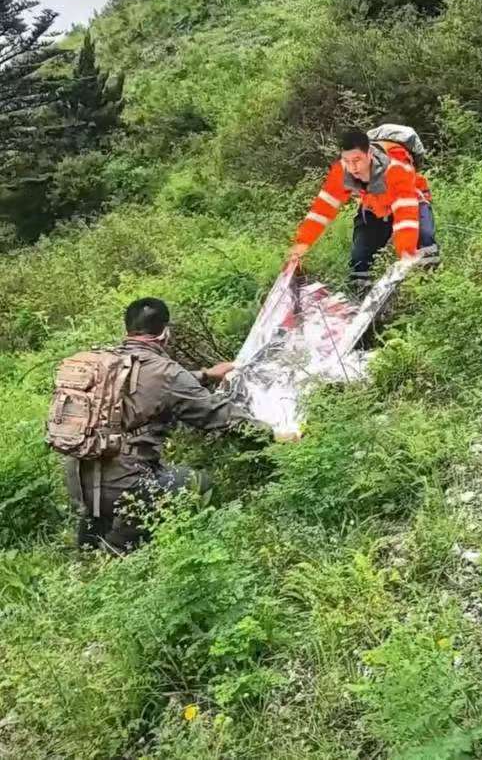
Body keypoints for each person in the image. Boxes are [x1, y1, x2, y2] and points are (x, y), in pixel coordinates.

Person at [63, 297, 253, 554]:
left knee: (102, 502)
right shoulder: (166, 372)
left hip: (78, 478)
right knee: (197, 482)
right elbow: (217, 415)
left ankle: (90, 549)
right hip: (124, 483)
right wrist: (273, 431)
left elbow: (145, 386)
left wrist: (205, 375)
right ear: (165, 332)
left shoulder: (104, 363)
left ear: (127, 330)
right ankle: (121, 551)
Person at [289, 127, 439, 287]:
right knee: (360, 259)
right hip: (374, 207)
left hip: (410, 200)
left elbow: (406, 216)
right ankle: (360, 297)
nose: (353, 168)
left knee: (425, 239)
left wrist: (406, 251)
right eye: (347, 161)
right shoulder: (341, 171)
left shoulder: (397, 169)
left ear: (370, 155)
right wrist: (301, 245)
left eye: (357, 160)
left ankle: (430, 285)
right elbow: (321, 211)